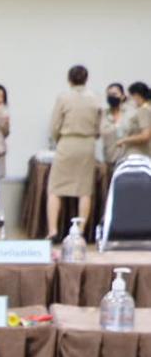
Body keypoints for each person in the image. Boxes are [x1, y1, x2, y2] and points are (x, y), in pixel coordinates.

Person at [46, 65, 103, 242]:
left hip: (67, 142)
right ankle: (80, 231)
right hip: (87, 144)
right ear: (86, 79)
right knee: (84, 190)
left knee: (55, 188)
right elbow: (99, 127)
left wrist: (58, 139)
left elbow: (54, 125)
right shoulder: (95, 98)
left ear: (69, 79)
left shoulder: (63, 97)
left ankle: (53, 231)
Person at [115, 81, 151, 162]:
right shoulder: (147, 108)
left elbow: (145, 135)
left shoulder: (143, 110)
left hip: (139, 154)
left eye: (131, 97)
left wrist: (124, 140)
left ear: (136, 95)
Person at [100, 83, 129, 164]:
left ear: (122, 96)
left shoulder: (131, 113)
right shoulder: (103, 114)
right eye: (109, 95)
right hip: (109, 158)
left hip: (128, 159)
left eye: (114, 94)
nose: (111, 97)